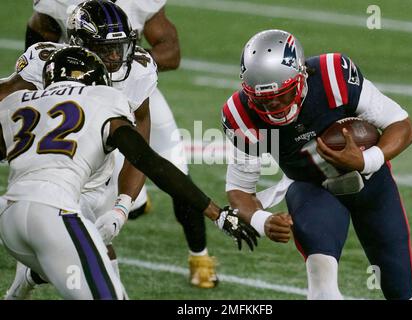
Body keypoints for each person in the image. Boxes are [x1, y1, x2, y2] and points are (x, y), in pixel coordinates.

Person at [0, 46, 257, 299]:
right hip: (54, 215)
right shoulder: (102, 100)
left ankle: (28, 279)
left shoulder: (16, 103)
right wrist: (216, 214)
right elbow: (150, 162)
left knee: (71, 260)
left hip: (9, 219)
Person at [221, 29, 412, 300]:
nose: (273, 105)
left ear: (302, 75)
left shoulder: (333, 75)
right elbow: (239, 189)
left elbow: (401, 124)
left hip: (370, 184)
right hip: (312, 191)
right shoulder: (241, 114)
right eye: (262, 99)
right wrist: (263, 221)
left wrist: (366, 160)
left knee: (404, 295)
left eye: (282, 95)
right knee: (324, 294)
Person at [24, 0, 220, 288]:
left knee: (173, 166)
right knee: (81, 184)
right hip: (77, 101)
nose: (114, 53)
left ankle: (199, 256)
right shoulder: (59, 4)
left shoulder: (134, 55)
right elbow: (37, 29)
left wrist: (118, 62)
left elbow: (171, 53)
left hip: (128, 93)